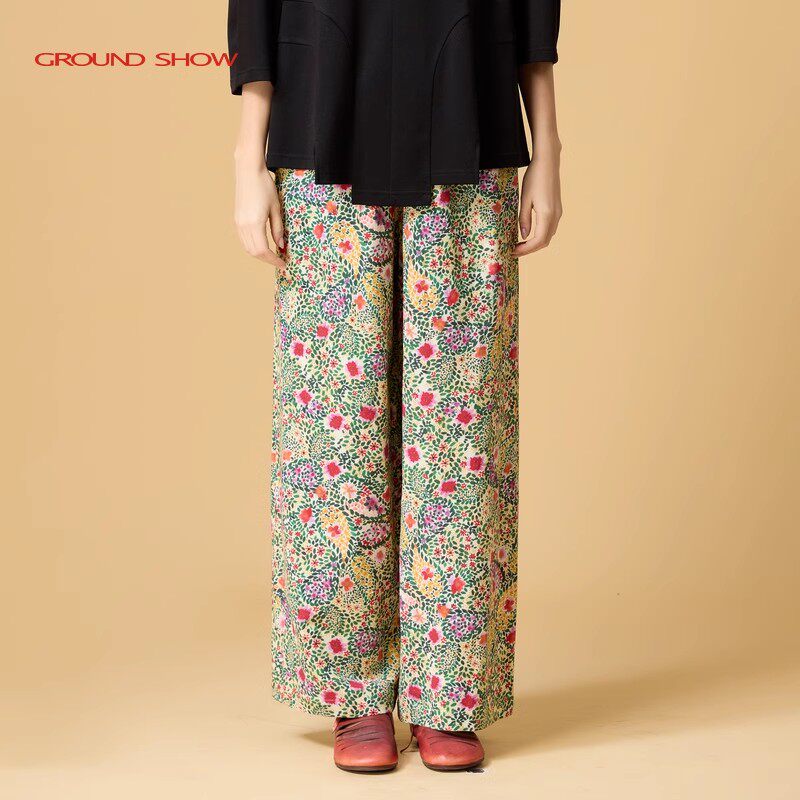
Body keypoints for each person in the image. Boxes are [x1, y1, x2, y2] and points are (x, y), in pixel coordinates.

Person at [228, 0, 562, 773]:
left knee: (463, 429)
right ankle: (356, 692)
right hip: (322, 130)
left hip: (472, 124)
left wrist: (547, 149)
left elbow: (533, 11)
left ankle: (450, 693)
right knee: (334, 431)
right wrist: (248, 159)